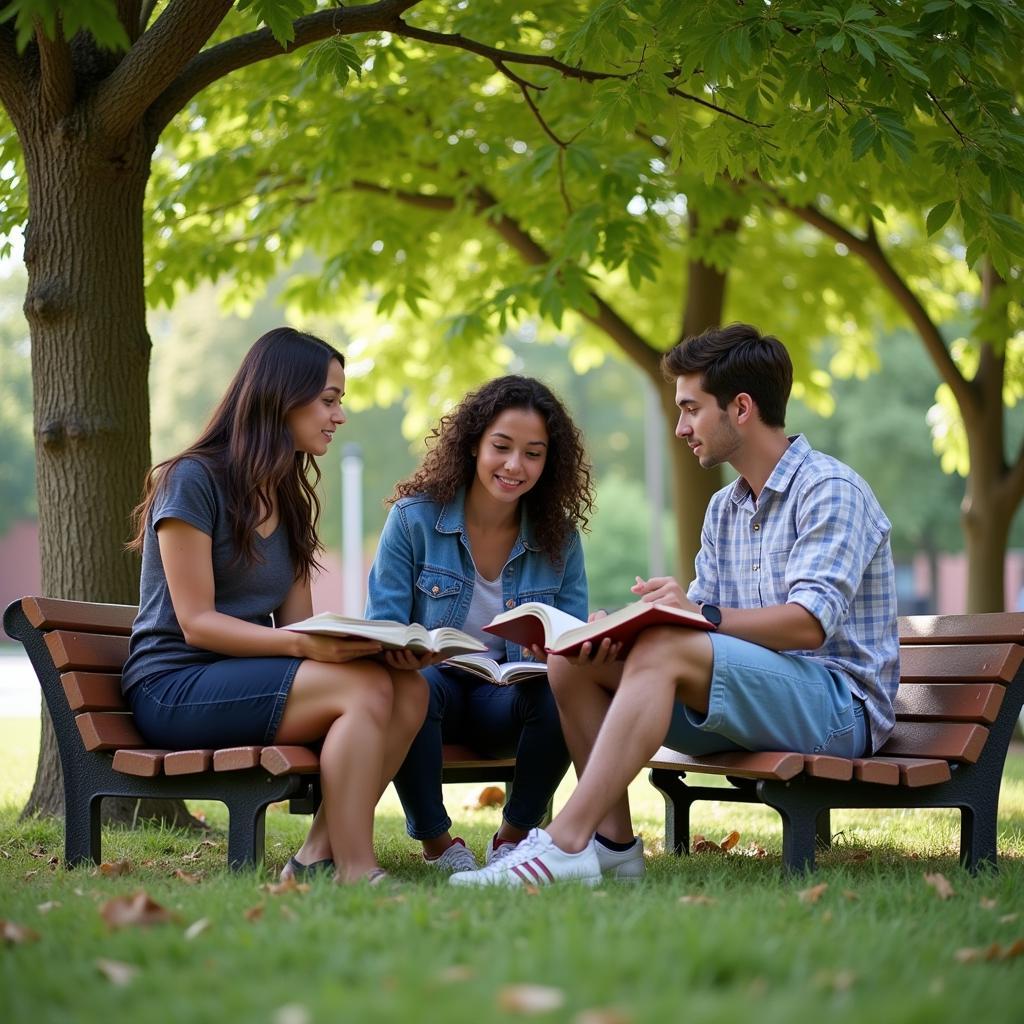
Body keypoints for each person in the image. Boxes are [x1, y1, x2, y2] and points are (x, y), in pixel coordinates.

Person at [451, 323, 899, 886]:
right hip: (755, 696)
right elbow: (703, 635)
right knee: (574, 659)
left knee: (665, 647)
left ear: (740, 408)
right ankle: (612, 845)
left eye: (691, 409)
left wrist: (695, 616)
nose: (681, 426)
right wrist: (624, 630)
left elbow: (808, 625)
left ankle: (565, 840)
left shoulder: (830, 489)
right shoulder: (724, 509)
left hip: (837, 707)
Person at [123, 327, 427, 885]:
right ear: (281, 397)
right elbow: (196, 624)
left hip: (239, 677)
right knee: (363, 689)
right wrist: (308, 647)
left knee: (406, 687)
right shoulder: (191, 480)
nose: (339, 416)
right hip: (171, 685)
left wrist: (373, 649)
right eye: (328, 400)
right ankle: (356, 868)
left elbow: (300, 626)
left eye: (340, 402)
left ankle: (316, 856)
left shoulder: (286, 500)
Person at [365, 375, 594, 873]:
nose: (515, 465)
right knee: (414, 684)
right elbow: (380, 623)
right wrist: (401, 651)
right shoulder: (413, 520)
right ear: (473, 445)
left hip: (506, 696)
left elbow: (570, 633)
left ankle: (513, 840)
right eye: (502, 447)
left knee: (561, 689)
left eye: (533, 453)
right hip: (432, 687)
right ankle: (438, 846)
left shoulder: (559, 537)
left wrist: (555, 648)